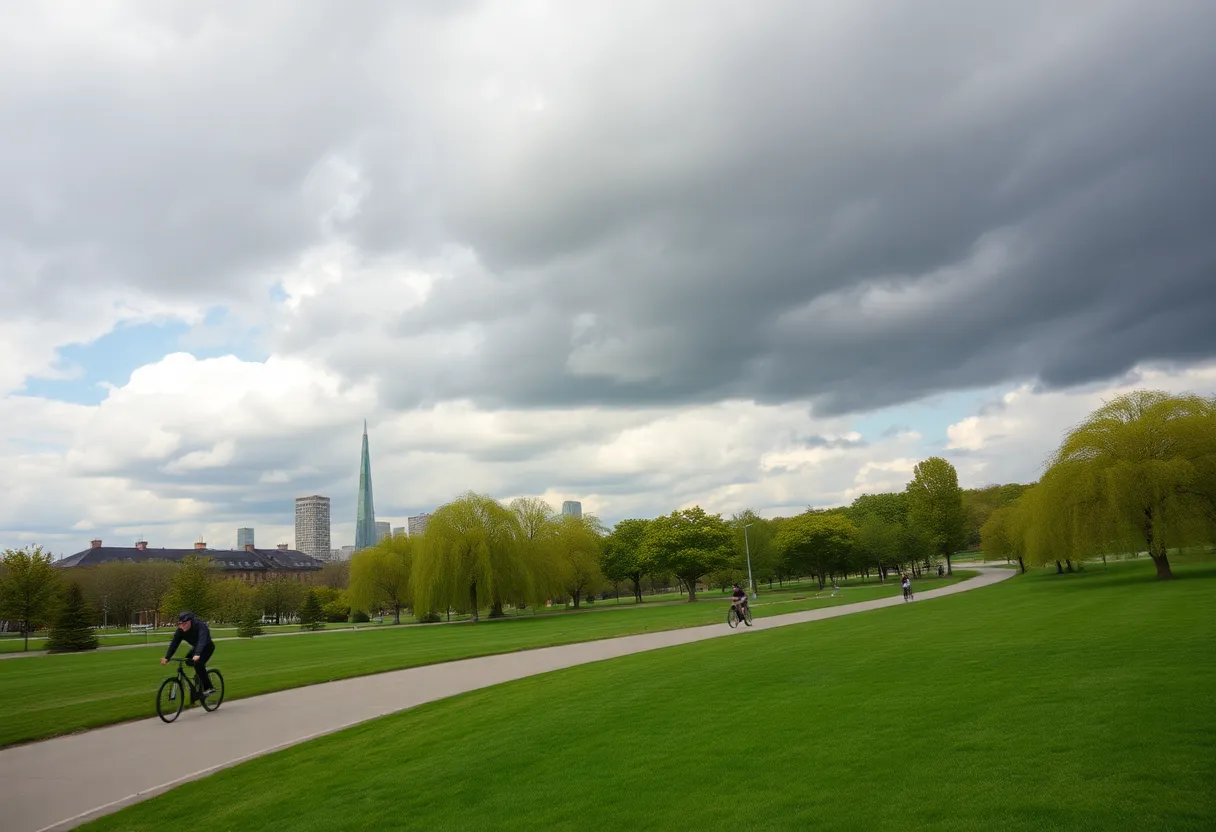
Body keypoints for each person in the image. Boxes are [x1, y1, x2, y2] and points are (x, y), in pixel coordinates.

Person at [162, 611, 215, 697]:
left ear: (190, 622)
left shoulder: (200, 626)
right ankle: (199, 677)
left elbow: (202, 640)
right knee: (188, 661)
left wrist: (197, 654)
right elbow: (174, 644)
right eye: (180, 624)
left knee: (198, 665)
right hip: (196, 648)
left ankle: (208, 687)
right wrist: (167, 657)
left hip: (207, 647)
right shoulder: (181, 630)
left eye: (184, 624)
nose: (181, 626)